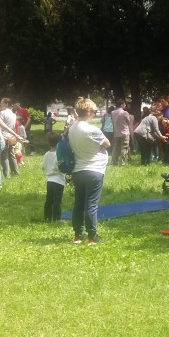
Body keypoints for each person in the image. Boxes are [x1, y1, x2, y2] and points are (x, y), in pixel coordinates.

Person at [69, 97, 110, 245]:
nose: (94, 114)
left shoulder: (72, 128)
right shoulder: (91, 129)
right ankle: (92, 237)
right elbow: (107, 144)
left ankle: (78, 235)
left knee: (79, 204)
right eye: (93, 111)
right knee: (91, 204)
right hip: (94, 169)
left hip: (78, 169)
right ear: (87, 111)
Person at [42, 131, 66, 222]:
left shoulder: (46, 154)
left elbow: (43, 166)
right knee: (57, 200)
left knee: (49, 200)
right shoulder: (58, 155)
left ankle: (47, 217)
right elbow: (61, 167)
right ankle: (57, 218)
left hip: (49, 180)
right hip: (58, 180)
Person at [0, 98, 19, 177]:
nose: (0, 104)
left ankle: (6, 175)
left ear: (6, 104)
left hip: (4, 136)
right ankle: (15, 172)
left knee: (4, 156)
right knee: (12, 155)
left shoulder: (2, 113)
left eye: (1, 102)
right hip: (11, 136)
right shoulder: (13, 113)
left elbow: (0, 125)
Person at [110, 99, 132, 166]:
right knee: (124, 147)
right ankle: (122, 162)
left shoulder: (112, 112)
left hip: (116, 132)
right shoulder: (125, 113)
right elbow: (128, 122)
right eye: (124, 104)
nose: (125, 105)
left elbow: (112, 121)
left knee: (116, 147)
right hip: (125, 132)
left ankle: (114, 161)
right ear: (121, 104)